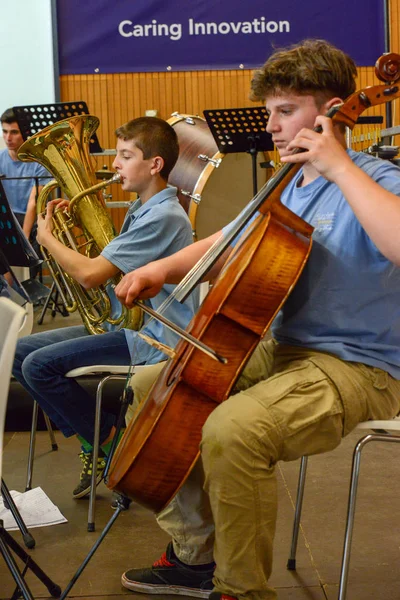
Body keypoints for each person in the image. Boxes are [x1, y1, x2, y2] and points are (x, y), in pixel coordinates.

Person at [113, 40, 400, 600]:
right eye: (270, 111)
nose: (270, 125)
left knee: (232, 428)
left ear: (331, 109)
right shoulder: (287, 182)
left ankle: (241, 590)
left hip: (361, 366)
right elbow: (226, 239)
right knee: (153, 386)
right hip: (286, 351)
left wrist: (339, 166)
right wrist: (159, 268)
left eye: (285, 110)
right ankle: (195, 557)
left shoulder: (374, 179)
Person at [12, 116, 199, 499]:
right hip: (123, 326)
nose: (114, 164)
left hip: (153, 336)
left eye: (125, 155)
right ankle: (94, 435)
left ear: (155, 165)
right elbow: (111, 266)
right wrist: (73, 220)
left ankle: (107, 440)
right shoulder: (142, 208)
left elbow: (91, 275)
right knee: (16, 352)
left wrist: (48, 239)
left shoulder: (163, 215)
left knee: (37, 366)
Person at [0, 108, 49, 239]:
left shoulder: (39, 161)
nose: (8, 138)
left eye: (14, 132)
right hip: (8, 219)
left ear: (26, 132)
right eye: (5, 131)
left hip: (32, 220)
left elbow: (33, 203)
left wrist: (24, 238)